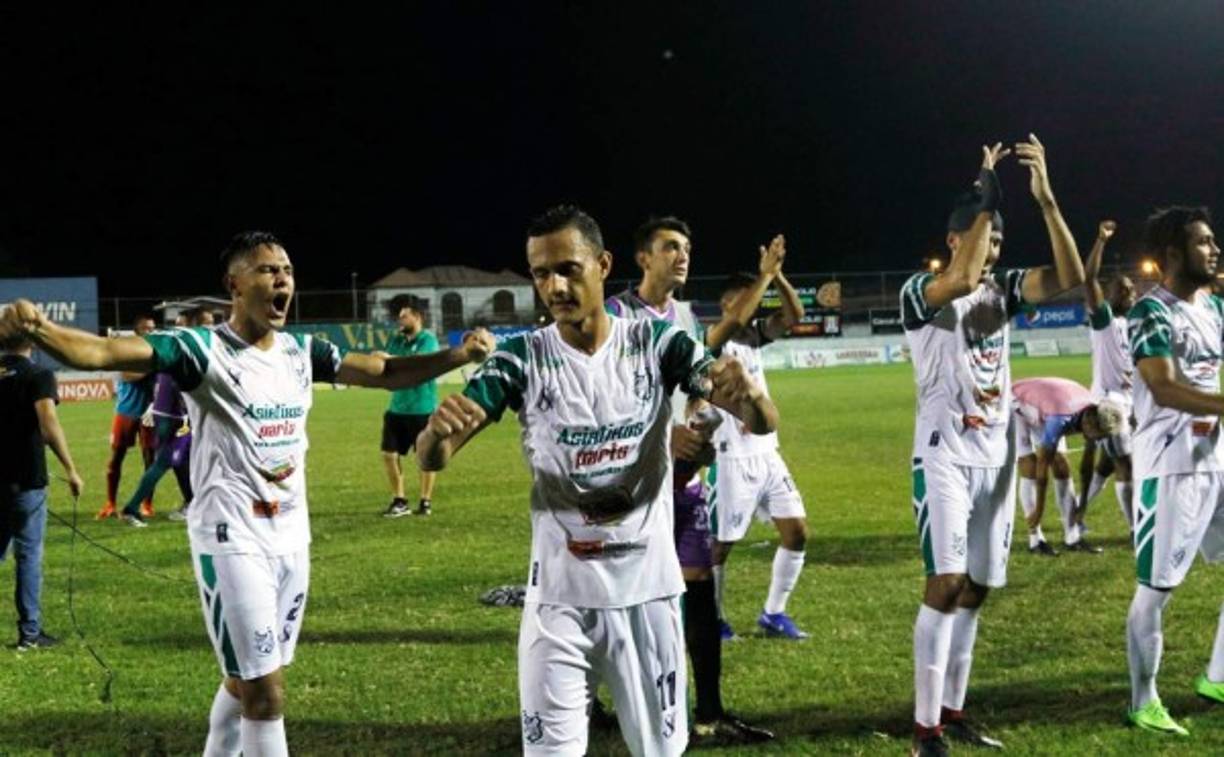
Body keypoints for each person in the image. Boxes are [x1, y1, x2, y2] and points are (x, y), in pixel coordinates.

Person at [0, 230, 494, 757]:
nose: (282, 279)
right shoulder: (200, 350)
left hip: (292, 540)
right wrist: (37, 327)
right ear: (234, 285)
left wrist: (455, 354)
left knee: (245, 681)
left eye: (286, 269)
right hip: (231, 538)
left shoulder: (304, 351)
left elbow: (386, 370)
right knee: (265, 694)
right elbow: (101, 351)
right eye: (266, 270)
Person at [417, 206, 778, 757]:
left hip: (648, 595)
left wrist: (749, 399)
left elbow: (758, 419)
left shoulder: (657, 343)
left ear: (604, 264)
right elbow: (437, 455)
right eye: (541, 274)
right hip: (559, 601)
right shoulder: (522, 358)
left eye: (568, 268)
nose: (555, 286)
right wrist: (436, 440)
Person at [899, 136, 1084, 756]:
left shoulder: (1001, 293)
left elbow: (1070, 278)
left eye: (1001, 241)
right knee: (945, 584)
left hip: (997, 460)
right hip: (945, 456)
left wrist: (1047, 202)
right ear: (956, 238)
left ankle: (953, 712)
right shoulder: (920, 294)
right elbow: (959, 278)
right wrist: (985, 189)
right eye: (987, 236)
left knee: (977, 588)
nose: (996, 250)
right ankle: (924, 731)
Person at [606, 215, 774, 744]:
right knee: (615, 600)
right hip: (630, 486)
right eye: (671, 247)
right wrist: (660, 439)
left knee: (699, 590)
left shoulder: (683, 314)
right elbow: (603, 402)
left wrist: (698, 416)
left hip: (683, 482)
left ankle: (711, 711)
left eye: (687, 248)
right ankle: (592, 701)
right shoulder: (614, 315)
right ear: (643, 258)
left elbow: (694, 379)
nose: (682, 256)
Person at [1123, 206, 1224, 736]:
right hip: (1171, 466)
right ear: (1172, 255)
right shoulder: (1149, 313)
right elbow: (1162, 387)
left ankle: (1219, 676)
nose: (1215, 249)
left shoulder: (1213, 306)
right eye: (1203, 243)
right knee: (1155, 590)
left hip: (1216, 462)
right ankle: (1143, 700)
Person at [704, 239, 809, 641]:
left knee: (796, 532)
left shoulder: (753, 338)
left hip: (768, 454)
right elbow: (736, 318)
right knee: (720, 545)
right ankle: (711, 619)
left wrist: (777, 274)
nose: (745, 308)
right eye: (739, 301)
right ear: (725, 305)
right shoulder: (711, 339)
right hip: (730, 459)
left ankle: (773, 614)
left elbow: (795, 313)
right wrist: (762, 275)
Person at [0, 329, 83, 650]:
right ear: (31, 342)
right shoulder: (38, 374)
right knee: (29, 555)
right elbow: (48, 423)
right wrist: (71, 469)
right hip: (26, 478)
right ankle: (30, 634)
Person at [120, 308, 214, 526]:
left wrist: (154, 404)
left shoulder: (172, 343)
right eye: (207, 322)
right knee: (166, 461)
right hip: (176, 417)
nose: (211, 326)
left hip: (166, 414)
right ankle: (131, 508)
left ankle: (192, 503)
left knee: (183, 460)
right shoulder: (189, 347)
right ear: (197, 325)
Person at [1012, 376, 1124, 555]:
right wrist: (1039, 511)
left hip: (1049, 405)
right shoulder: (1060, 420)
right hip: (1018, 404)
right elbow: (1042, 470)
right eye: (1099, 436)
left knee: (1062, 468)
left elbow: (1086, 467)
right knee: (1030, 467)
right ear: (1089, 423)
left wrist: (1083, 504)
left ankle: (1073, 537)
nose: (1099, 440)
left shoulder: (1095, 415)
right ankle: (1035, 539)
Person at [1078, 220, 1138, 532]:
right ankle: (1135, 529)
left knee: (1105, 466)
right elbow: (1088, 278)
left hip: (1130, 404)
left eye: (1131, 288)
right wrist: (1100, 241)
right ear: (1110, 295)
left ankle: (1076, 516)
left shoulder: (1139, 324)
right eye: (1121, 289)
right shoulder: (1105, 322)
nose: (1128, 292)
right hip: (1108, 403)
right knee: (1126, 464)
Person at [378, 296, 442, 518]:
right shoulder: (396, 340)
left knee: (425, 458)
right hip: (397, 408)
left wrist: (389, 359)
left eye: (404, 316)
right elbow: (387, 366)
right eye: (399, 317)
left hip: (423, 409)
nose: (400, 320)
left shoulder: (428, 340)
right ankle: (400, 500)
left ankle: (425, 501)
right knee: (388, 454)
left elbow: (419, 366)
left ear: (417, 317)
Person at [97, 313, 158, 520]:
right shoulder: (126, 351)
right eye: (146, 328)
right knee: (116, 458)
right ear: (136, 331)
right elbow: (127, 375)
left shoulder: (157, 350)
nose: (150, 331)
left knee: (150, 460)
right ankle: (110, 503)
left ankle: (147, 505)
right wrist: (154, 366)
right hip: (126, 411)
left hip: (150, 414)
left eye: (153, 328)